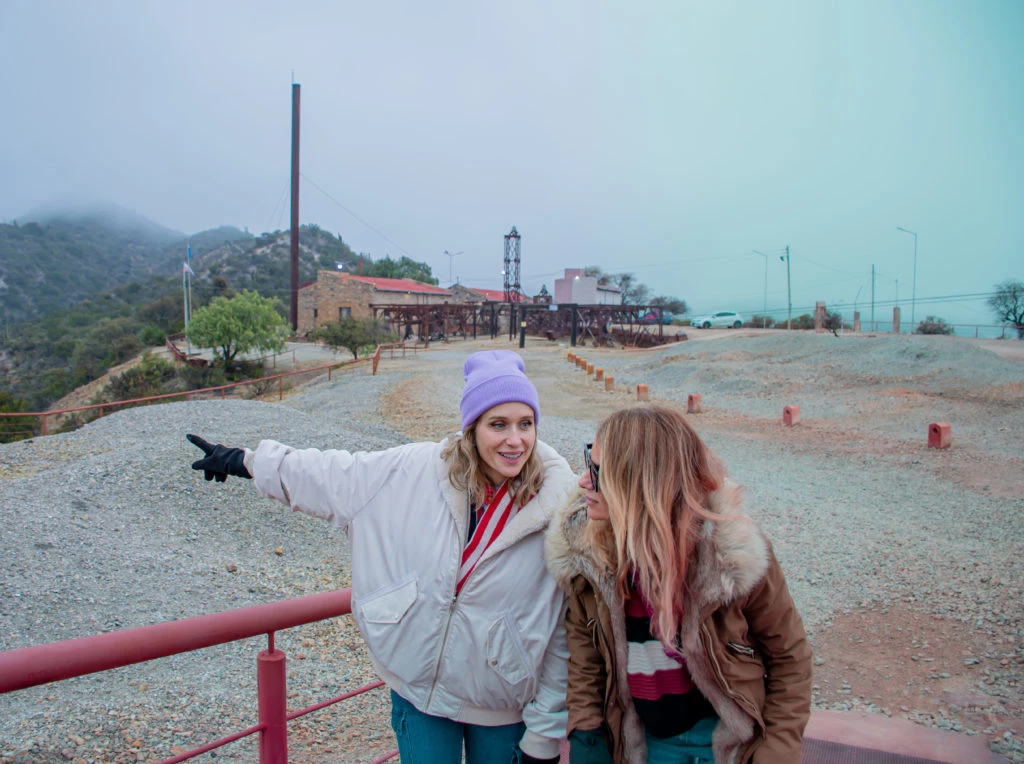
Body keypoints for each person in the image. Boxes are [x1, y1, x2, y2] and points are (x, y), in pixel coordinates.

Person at [187, 350, 578, 764]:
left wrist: (545, 734)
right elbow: (332, 476)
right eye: (498, 424)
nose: (515, 440)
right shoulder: (416, 470)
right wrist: (246, 462)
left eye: (526, 424)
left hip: (502, 702)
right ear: (472, 428)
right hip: (417, 689)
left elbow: (561, 631)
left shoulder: (559, 506)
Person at [545, 406, 812, 763]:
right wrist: (587, 735)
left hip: (731, 742)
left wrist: (776, 751)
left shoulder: (730, 556)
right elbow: (585, 658)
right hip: (651, 742)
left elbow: (790, 658)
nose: (582, 481)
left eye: (597, 470)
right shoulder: (590, 557)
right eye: (587, 459)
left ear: (639, 482)